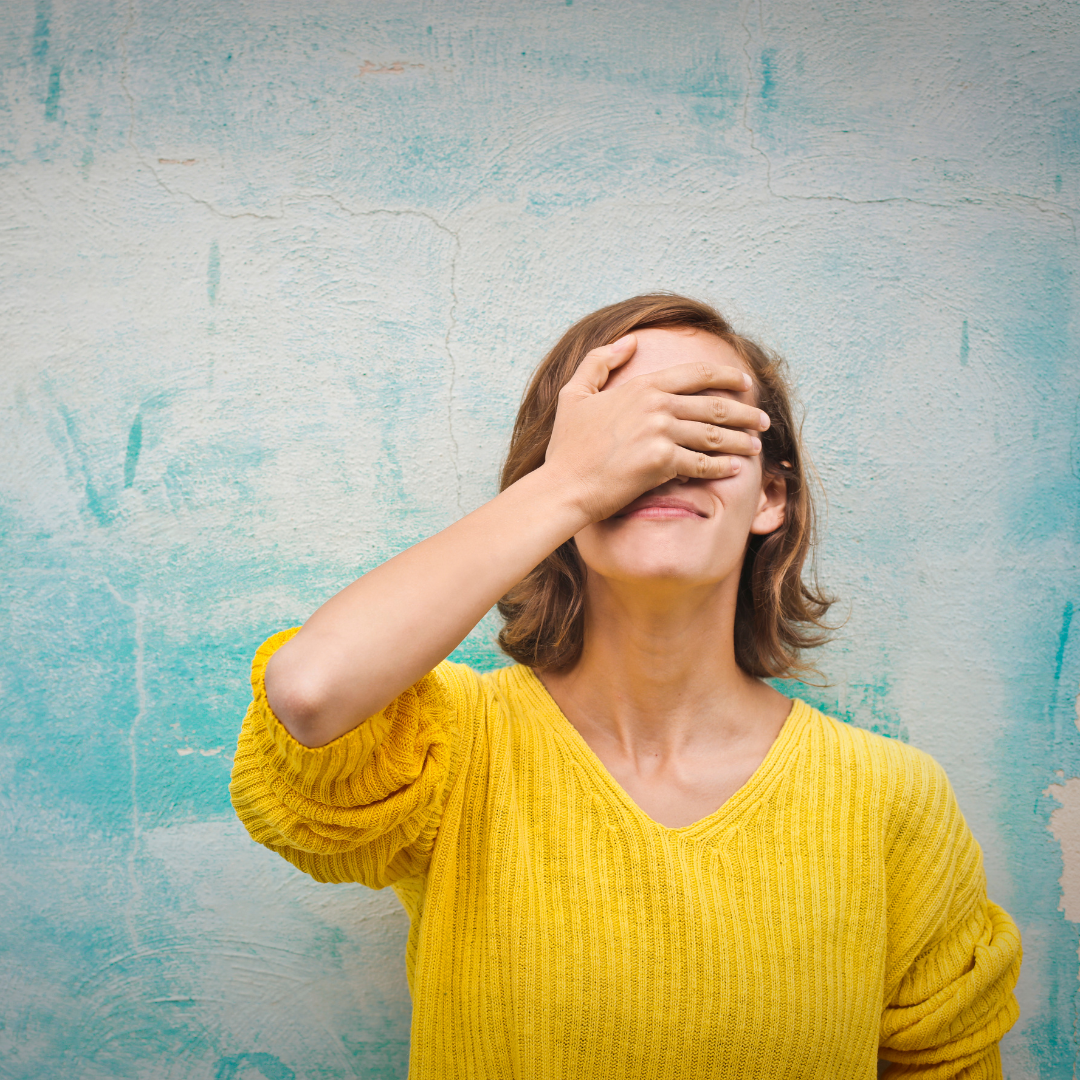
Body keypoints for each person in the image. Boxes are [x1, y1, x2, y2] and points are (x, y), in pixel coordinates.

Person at [230, 294, 1021, 1079]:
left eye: (707, 421)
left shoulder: (890, 798)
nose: (660, 453)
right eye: (620, 425)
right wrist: (571, 484)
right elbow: (310, 693)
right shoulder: (454, 744)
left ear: (771, 496)